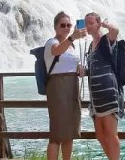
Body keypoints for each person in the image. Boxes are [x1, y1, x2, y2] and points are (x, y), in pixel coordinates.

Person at [44, 11, 86, 160]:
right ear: (55, 27)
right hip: (57, 89)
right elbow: (56, 52)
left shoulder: (71, 46)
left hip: (71, 88)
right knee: (56, 134)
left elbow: (69, 63)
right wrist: (72, 37)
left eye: (69, 25)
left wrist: (80, 68)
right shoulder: (51, 42)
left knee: (69, 132)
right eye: (63, 25)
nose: (66, 28)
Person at [84, 12, 123, 160]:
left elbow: (115, 31)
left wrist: (106, 25)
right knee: (100, 135)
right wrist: (84, 71)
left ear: (98, 23)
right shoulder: (90, 45)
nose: (87, 26)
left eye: (91, 23)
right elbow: (94, 67)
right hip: (95, 95)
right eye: (86, 23)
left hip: (107, 92)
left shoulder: (106, 39)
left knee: (111, 133)